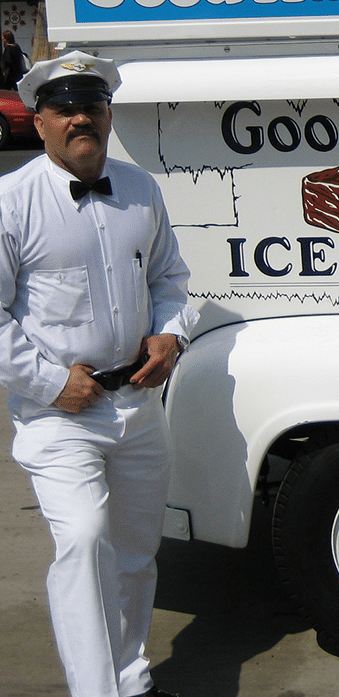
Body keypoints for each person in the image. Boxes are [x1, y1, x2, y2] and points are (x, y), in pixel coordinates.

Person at [1, 51, 198, 697]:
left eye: (92, 106)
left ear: (109, 115)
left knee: (136, 555)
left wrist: (170, 336)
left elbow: (169, 279)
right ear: (40, 121)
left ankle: (130, 675)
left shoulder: (141, 189)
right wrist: (50, 383)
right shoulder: (12, 203)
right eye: (64, 109)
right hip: (61, 415)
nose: (80, 118)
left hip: (139, 408)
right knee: (85, 544)